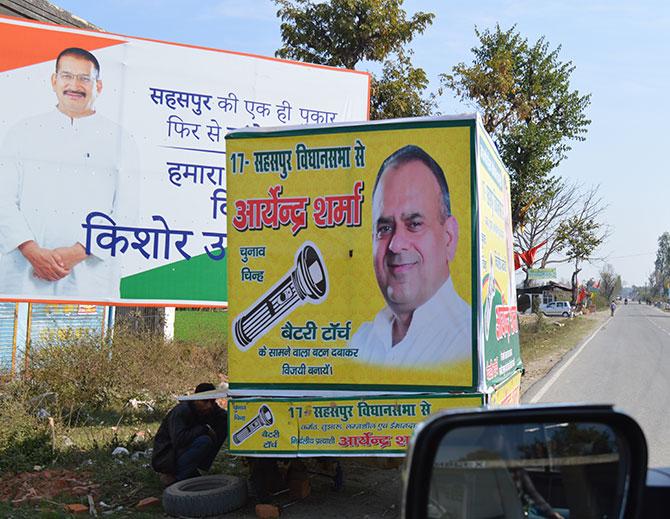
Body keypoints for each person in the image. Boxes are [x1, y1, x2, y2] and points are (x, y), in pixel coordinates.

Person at [0, 47, 138, 298]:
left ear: (99, 86)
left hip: (89, 277)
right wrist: (32, 251)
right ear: (54, 81)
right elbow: (3, 200)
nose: (75, 85)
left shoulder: (121, 140)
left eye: (84, 78)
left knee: (84, 337)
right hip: (23, 273)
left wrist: (77, 253)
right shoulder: (22, 132)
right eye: (67, 76)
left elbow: (127, 211)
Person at [351, 145, 471, 367]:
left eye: (414, 224)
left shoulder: (466, 343)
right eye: (385, 228)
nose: (395, 245)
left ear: (449, 237)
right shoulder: (361, 342)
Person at [151, 382, 229, 486]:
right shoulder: (181, 411)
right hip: (167, 456)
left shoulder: (211, 408)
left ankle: (193, 468)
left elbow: (226, 417)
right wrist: (203, 429)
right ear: (196, 399)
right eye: (205, 401)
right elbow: (179, 440)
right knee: (204, 441)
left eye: (212, 401)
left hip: (182, 451)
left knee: (223, 423)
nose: (209, 405)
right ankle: (175, 479)